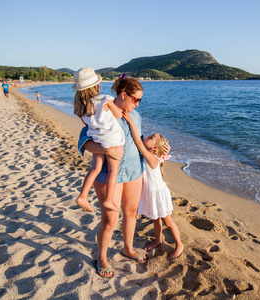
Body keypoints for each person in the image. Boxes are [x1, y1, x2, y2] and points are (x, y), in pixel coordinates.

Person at [78, 73, 170, 278]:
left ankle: (127, 248)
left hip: (134, 171)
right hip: (107, 175)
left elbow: (141, 140)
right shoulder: (101, 109)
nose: (138, 104)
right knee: (110, 220)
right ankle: (101, 257)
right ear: (122, 94)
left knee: (131, 213)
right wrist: (107, 151)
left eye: (140, 100)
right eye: (135, 99)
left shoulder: (136, 116)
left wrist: (160, 148)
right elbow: (84, 140)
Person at [123, 112, 184, 259]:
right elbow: (141, 142)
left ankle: (179, 244)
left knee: (167, 220)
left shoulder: (152, 158)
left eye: (150, 138)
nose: (147, 137)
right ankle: (158, 240)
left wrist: (131, 121)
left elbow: (138, 142)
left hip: (158, 193)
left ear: (154, 148)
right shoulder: (154, 155)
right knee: (155, 219)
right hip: (152, 192)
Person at [73, 68, 124, 213]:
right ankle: (108, 199)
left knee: (95, 169)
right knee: (113, 170)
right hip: (112, 139)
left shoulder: (81, 107)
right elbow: (118, 115)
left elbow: (87, 124)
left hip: (97, 139)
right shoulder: (105, 99)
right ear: (96, 86)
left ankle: (83, 195)